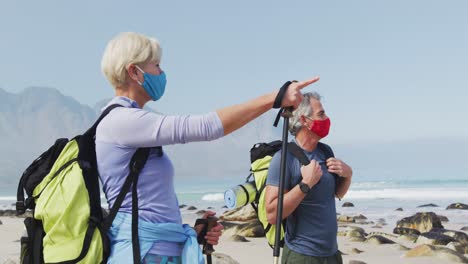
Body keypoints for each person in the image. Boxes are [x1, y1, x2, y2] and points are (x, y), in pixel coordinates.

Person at [96, 32, 319, 264]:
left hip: (155, 251)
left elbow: (147, 206)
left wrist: (193, 230)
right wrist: (275, 97)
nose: (161, 73)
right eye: (156, 65)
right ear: (134, 72)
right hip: (141, 254)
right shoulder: (122, 121)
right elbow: (206, 127)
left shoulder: (128, 122)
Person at [265, 92, 352, 264]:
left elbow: (335, 194)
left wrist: (348, 175)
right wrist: (305, 184)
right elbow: (272, 214)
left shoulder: (325, 151)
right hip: (302, 255)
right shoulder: (284, 158)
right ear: (305, 120)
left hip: (332, 254)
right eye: (321, 114)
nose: (327, 118)